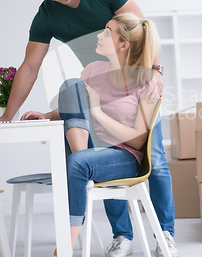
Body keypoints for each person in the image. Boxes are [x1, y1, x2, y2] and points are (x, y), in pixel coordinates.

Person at [0, 0, 177, 257]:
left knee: (155, 158)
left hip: (138, 83)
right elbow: (30, 66)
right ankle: (122, 236)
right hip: (101, 86)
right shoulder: (47, 16)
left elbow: (141, 28)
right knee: (100, 156)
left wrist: (155, 71)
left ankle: (165, 233)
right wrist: (9, 115)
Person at [23, 13, 162, 255]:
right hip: (92, 150)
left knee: (76, 164)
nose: (99, 35)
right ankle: (82, 160)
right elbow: (76, 105)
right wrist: (46, 115)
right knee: (71, 85)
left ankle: (64, 247)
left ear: (123, 45)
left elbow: (139, 140)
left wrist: (97, 113)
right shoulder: (92, 70)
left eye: (107, 32)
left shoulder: (145, 81)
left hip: (125, 157)